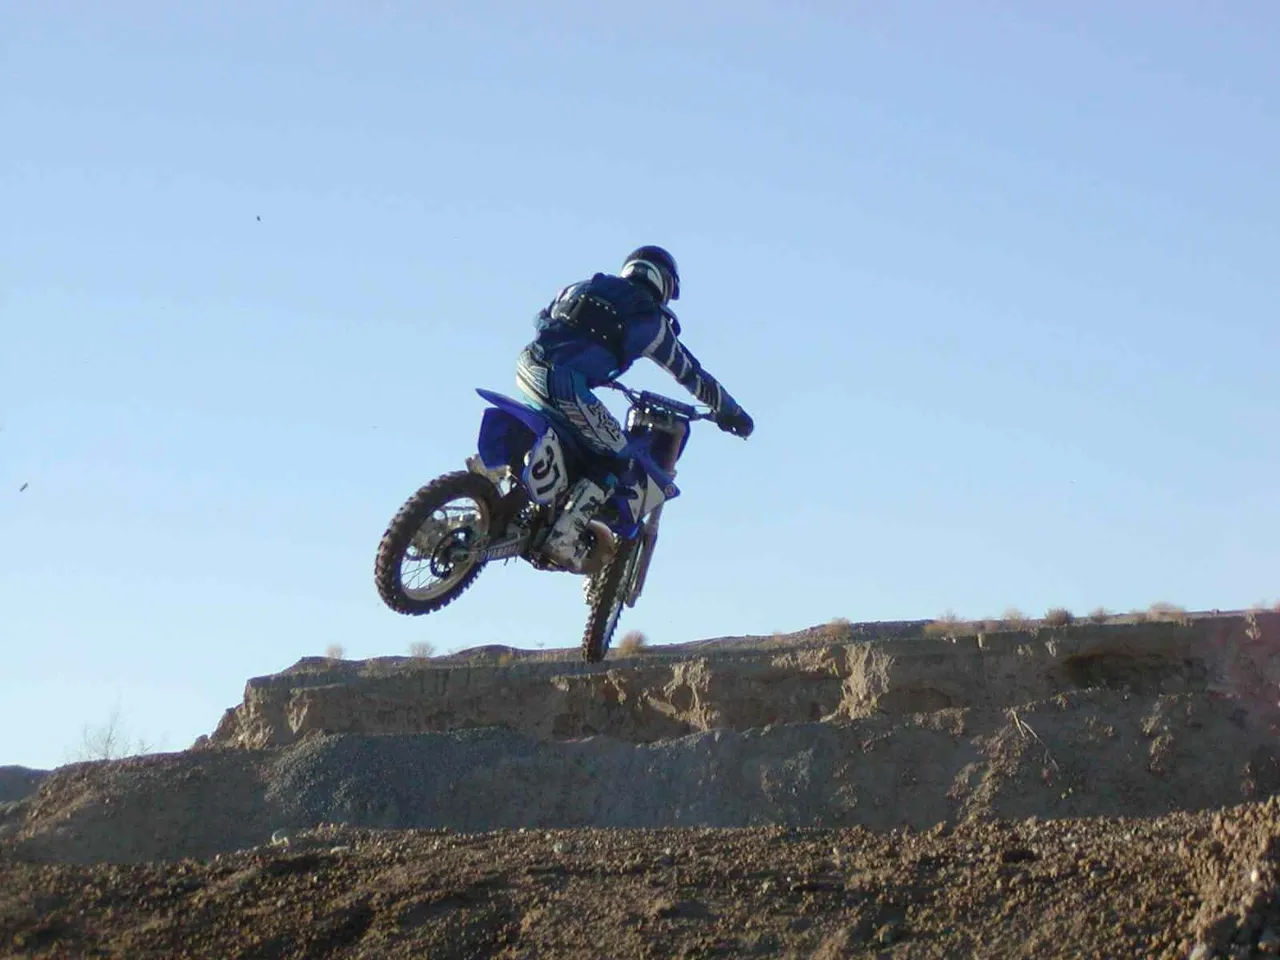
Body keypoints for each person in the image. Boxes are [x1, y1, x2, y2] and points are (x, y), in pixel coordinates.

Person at [514, 244, 754, 573]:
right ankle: (563, 538)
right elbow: (691, 374)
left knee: (573, 440)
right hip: (566, 386)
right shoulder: (650, 321)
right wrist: (733, 413)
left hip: (528, 367)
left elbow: (543, 319)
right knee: (618, 455)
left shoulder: (583, 287)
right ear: (664, 284)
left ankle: (505, 488)